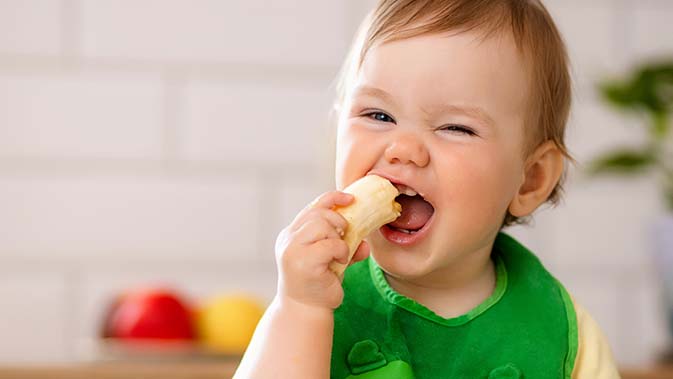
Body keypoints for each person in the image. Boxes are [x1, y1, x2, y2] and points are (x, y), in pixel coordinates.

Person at [234, 0, 620, 378]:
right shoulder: (316, 303)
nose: (403, 150)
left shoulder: (564, 336)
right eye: (378, 115)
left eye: (456, 128)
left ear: (531, 178)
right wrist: (299, 308)